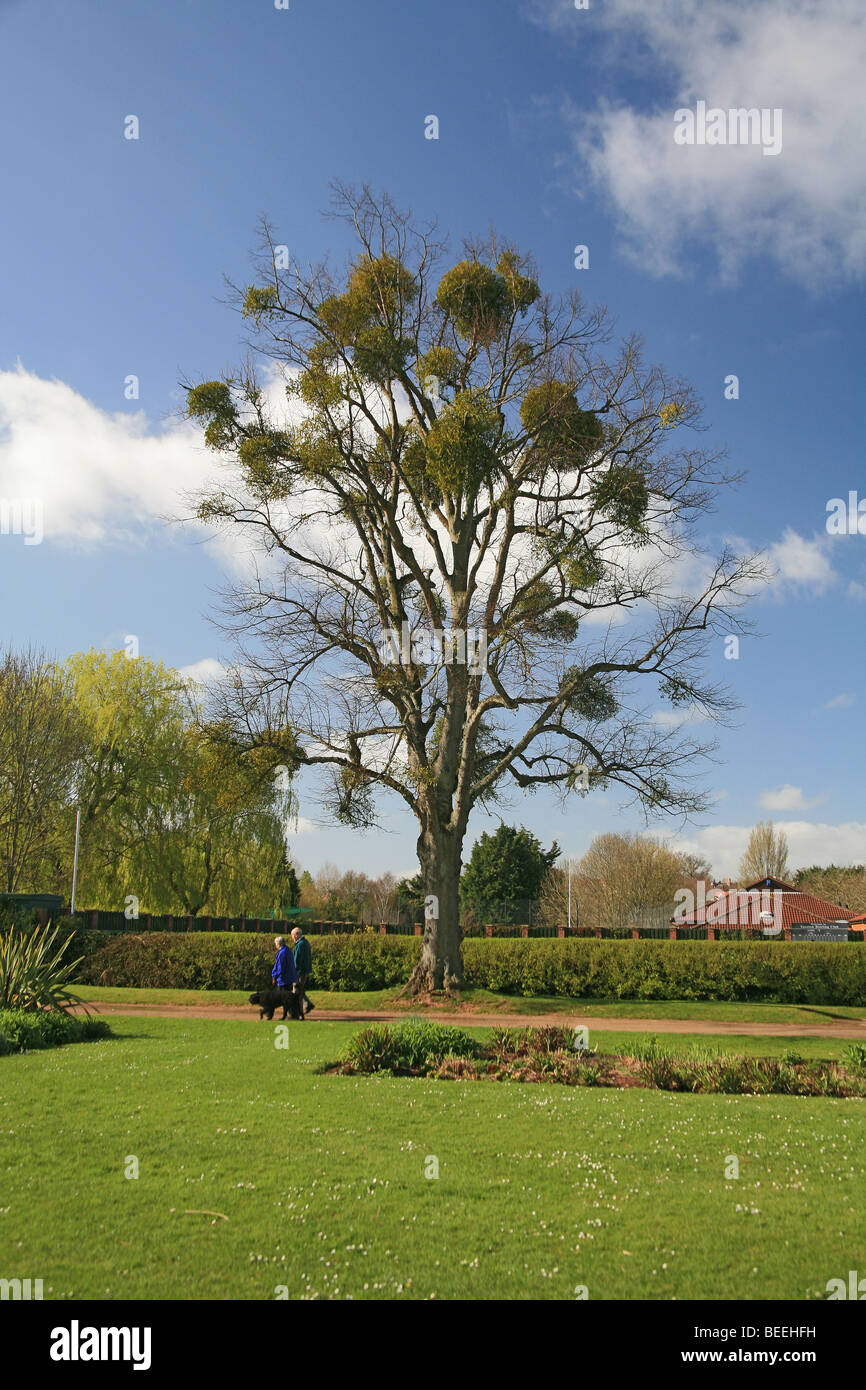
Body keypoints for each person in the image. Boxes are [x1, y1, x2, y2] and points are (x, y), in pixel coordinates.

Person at [291, 926, 314, 1015]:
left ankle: (296, 1011)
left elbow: (296, 960)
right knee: (300, 990)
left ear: (296, 935)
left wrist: (293, 971)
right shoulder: (305, 942)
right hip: (305, 971)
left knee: (296, 992)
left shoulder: (300, 945)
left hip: (299, 972)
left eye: (292, 935)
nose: (292, 937)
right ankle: (307, 1004)